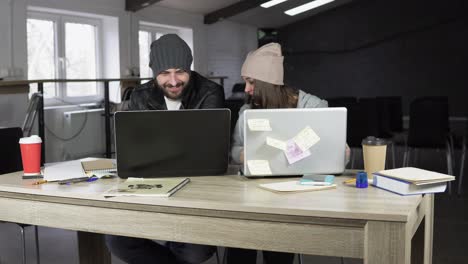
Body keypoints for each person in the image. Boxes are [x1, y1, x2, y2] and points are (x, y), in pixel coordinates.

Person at [105, 34, 224, 264]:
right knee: (116, 240)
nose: (173, 81)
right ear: (153, 73)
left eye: (180, 71)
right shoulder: (140, 96)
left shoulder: (209, 92)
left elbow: (208, 149)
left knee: (195, 251)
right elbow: (131, 148)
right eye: (164, 73)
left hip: (197, 189)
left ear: (189, 68)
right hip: (151, 188)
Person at [228, 43, 349, 264]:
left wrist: (340, 149)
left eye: (251, 82)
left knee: (276, 238)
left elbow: (341, 154)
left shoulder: (312, 107)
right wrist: (245, 156)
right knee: (240, 233)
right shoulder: (247, 111)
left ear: (268, 83)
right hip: (254, 193)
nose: (245, 89)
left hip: (298, 195)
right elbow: (235, 149)